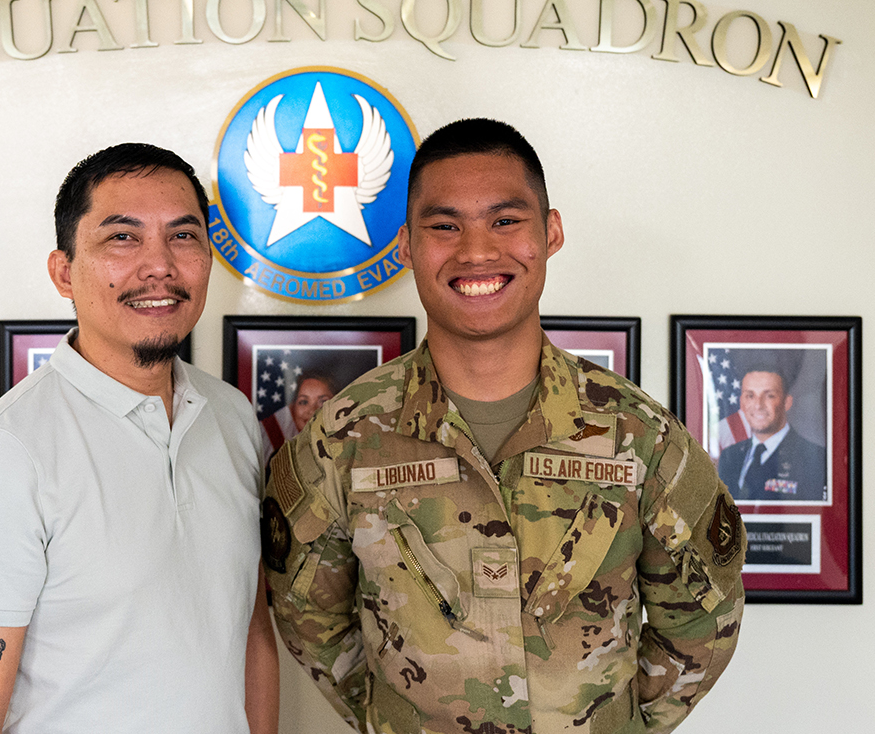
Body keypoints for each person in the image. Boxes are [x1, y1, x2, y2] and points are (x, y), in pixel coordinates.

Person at [262, 119, 745, 734]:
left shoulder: (637, 434)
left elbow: (703, 620)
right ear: (406, 245)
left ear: (551, 233)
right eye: (444, 226)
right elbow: (310, 619)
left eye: (505, 221)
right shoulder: (344, 439)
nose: (477, 251)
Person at [0, 143, 279, 734]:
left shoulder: (232, 419)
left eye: (184, 236)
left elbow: (250, 631)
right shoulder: (5, 456)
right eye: (123, 238)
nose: (159, 265)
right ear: (64, 272)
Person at [717, 366, 827, 500]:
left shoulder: (815, 458)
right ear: (742, 403)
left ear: (787, 402)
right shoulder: (729, 457)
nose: (758, 405)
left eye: (769, 396)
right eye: (750, 396)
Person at [260, 373, 335, 456]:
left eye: (323, 402)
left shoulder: (348, 456)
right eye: (304, 402)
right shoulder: (279, 459)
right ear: (294, 408)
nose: (312, 411)